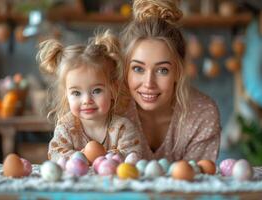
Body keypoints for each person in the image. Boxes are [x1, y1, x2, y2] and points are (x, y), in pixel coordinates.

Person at [120, 0, 221, 162]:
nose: (148, 83)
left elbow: (198, 182)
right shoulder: (111, 109)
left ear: (178, 71)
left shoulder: (202, 114)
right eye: (138, 69)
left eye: (162, 70)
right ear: (125, 69)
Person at [36, 30, 142, 162]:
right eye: (76, 93)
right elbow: (55, 153)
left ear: (113, 90)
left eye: (96, 91)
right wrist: (83, 156)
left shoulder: (122, 128)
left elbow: (133, 155)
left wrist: (100, 156)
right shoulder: (67, 127)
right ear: (66, 96)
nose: (87, 101)